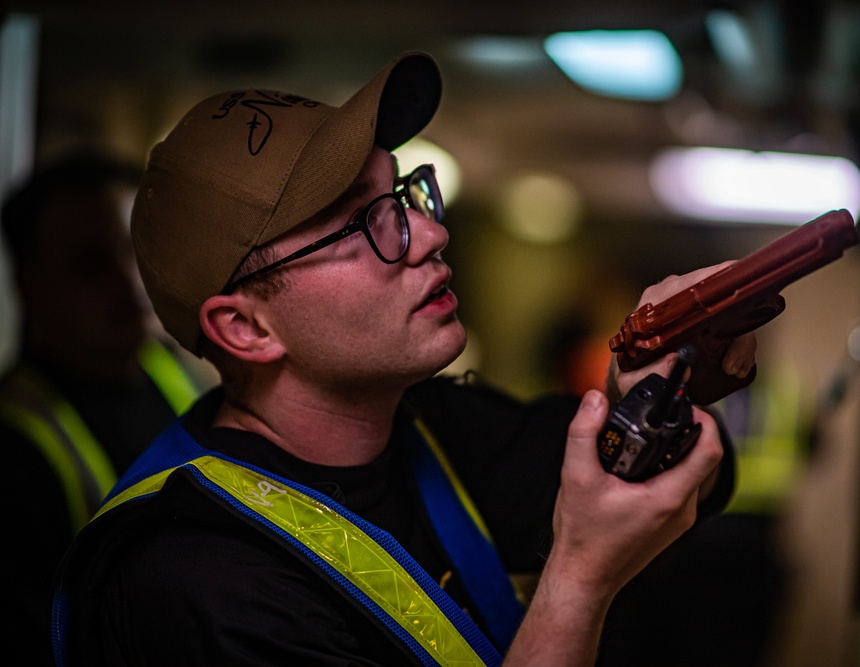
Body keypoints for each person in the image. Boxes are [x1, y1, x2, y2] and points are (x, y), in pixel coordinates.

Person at [50, 52, 756, 666]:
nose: (426, 232)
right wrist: (579, 580)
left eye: (401, 194)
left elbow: (689, 484)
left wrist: (652, 376)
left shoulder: (431, 426)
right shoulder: (192, 581)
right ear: (246, 327)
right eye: (363, 222)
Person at [0, 151, 207, 664]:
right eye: (91, 263)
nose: (128, 280)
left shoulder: (167, 367)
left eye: (134, 250)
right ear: (31, 284)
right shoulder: (13, 445)